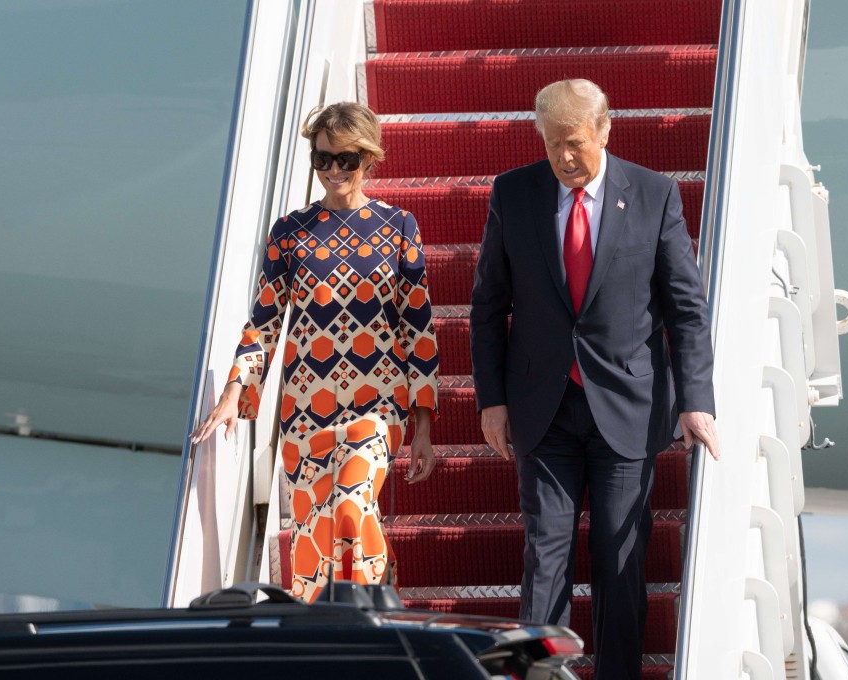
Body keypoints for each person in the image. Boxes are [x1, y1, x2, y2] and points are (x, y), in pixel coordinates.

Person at [469, 79, 720, 680]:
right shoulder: (514, 192)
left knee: (619, 558)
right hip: (542, 407)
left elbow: (686, 309)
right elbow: (488, 305)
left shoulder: (655, 194)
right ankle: (536, 676)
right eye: (552, 143)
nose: (564, 157)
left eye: (575, 143)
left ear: (605, 131)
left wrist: (696, 401)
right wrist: (492, 400)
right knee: (545, 558)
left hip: (628, 407)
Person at [192, 101, 439, 603]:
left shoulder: (398, 226)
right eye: (322, 159)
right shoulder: (290, 232)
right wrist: (234, 391)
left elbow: (418, 329)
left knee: (350, 504)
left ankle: (372, 618)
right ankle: (332, 631)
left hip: (377, 405)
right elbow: (264, 323)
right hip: (305, 412)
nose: (333, 170)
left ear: (368, 158)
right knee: (313, 541)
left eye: (346, 159)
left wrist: (423, 427)